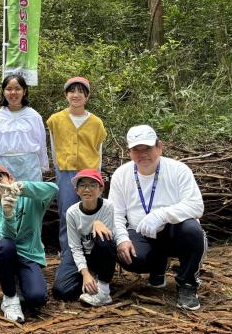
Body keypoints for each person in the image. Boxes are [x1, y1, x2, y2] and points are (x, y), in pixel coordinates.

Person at [108, 125, 207, 311]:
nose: (142, 154)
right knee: (130, 257)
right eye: (136, 149)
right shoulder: (121, 174)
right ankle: (158, 267)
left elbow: (196, 206)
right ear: (129, 151)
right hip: (140, 231)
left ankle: (187, 284)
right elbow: (116, 214)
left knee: (193, 231)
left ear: (159, 146)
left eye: (147, 148)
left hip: (173, 230)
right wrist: (121, 239)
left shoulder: (178, 170)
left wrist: (161, 214)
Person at [0, 73, 49, 275]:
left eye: (17, 89)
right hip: (5, 165)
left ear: (24, 91)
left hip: (29, 165)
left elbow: (41, 144)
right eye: (9, 89)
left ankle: (29, 254)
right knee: (2, 208)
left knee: (29, 208)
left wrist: (42, 167)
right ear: (4, 91)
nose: (13, 93)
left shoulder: (33, 115)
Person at [47, 77, 107, 289]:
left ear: (87, 96)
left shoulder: (96, 123)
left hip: (89, 173)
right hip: (65, 171)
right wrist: (59, 169)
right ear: (66, 95)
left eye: (81, 91)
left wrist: (96, 176)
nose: (76, 95)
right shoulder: (55, 119)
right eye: (72, 91)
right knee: (66, 213)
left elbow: (98, 150)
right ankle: (68, 255)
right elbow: (54, 148)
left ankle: (93, 255)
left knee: (91, 212)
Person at [0, 164, 58, 322]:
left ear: (10, 179)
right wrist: (8, 213)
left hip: (29, 256)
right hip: (8, 254)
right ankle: (9, 299)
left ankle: (19, 281)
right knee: (4, 245)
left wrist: (24, 187)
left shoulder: (30, 199)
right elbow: (9, 236)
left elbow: (53, 189)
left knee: (37, 298)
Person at [51, 169, 117, 306]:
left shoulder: (108, 207)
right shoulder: (72, 212)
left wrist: (97, 223)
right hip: (81, 253)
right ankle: (91, 281)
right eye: (82, 185)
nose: (87, 189)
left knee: (104, 238)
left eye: (92, 185)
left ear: (101, 189)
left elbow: (110, 241)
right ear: (77, 190)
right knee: (61, 291)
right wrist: (85, 274)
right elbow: (75, 247)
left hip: (98, 252)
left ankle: (104, 290)